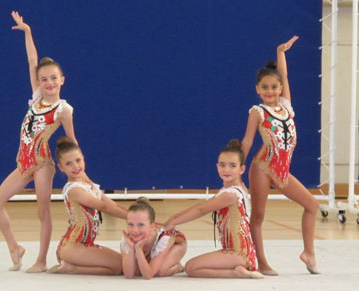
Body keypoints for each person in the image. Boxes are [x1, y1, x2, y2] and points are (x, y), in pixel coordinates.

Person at [0, 11, 78, 273]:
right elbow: (32, 60)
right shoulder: (36, 97)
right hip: (24, 162)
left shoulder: (63, 109)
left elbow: (71, 141)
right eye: (44, 79)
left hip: (42, 164)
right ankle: (15, 248)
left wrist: (77, 171)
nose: (49, 83)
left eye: (53, 78)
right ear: (38, 82)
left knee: (43, 213)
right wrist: (28, 32)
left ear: (62, 80)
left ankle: (41, 260)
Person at [241, 36, 320, 275]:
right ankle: (261, 262)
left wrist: (280, 52)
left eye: (274, 87)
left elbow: (284, 76)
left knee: (312, 205)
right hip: (263, 167)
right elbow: (247, 141)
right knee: (259, 215)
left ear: (280, 89)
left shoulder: (286, 106)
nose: (270, 91)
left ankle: (309, 253)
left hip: (282, 171)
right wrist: (239, 171)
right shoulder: (257, 112)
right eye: (264, 87)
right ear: (257, 89)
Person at [164, 140, 263, 279]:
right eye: (222, 165)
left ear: (242, 169)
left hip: (239, 253)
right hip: (237, 252)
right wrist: (173, 220)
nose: (226, 170)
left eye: (232, 166)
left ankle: (236, 273)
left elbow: (201, 209)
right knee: (192, 267)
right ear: (217, 167)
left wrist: (173, 221)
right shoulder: (228, 190)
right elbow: (202, 206)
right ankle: (238, 269)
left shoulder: (231, 195)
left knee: (191, 267)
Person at [47, 137, 127, 275]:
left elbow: (111, 203)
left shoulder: (86, 182)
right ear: (61, 167)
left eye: (78, 161)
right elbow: (104, 207)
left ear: (83, 159)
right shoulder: (74, 189)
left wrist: (137, 215)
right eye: (69, 164)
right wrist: (133, 218)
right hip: (72, 246)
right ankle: (71, 268)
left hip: (85, 245)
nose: (76, 166)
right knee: (118, 268)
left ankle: (72, 265)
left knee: (123, 265)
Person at [121, 197, 187, 279]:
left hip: (177, 243)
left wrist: (138, 249)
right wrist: (132, 248)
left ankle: (177, 267)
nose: (135, 230)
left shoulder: (163, 239)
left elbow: (148, 275)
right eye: (130, 224)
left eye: (140, 225)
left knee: (160, 271)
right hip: (152, 247)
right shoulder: (127, 238)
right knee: (137, 271)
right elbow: (128, 275)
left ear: (152, 226)